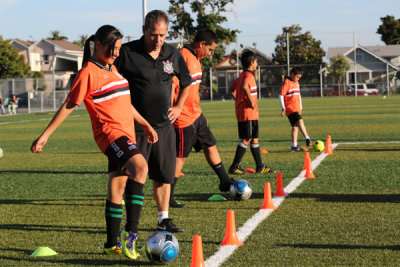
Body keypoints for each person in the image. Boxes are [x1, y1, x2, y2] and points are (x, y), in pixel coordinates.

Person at [30, 25, 158, 260]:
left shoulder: (112, 69)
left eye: (119, 49)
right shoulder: (88, 72)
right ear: (97, 45)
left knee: (117, 189)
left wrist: (145, 124)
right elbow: (70, 104)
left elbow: (123, 102)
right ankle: (132, 234)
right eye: (112, 48)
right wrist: (45, 134)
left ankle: (111, 243)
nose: (116, 53)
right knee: (140, 168)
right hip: (111, 135)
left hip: (126, 134)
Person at [114, 10, 192, 232]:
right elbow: (111, 82)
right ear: (143, 31)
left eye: (162, 35)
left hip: (164, 127)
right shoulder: (128, 53)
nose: (158, 40)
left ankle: (163, 218)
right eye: (153, 35)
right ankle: (129, 223)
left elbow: (186, 82)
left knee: (164, 175)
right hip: (134, 128)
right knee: (131, 177)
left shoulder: (172, 53)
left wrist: (178, 107)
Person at [170, 30, 235, 208]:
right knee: (180, 158)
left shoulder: (196, 58)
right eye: (210, 50)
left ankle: (225, 181)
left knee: (210, 144)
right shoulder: (182, 56)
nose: (211, 54)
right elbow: (172, 85)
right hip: (183, 118)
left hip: (196, 114)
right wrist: (173, 109)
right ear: (201, 44)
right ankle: (168, 196)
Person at [229, 50, 276, 174]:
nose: (257, 64)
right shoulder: (248, 76)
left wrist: (238, 100)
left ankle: (260, 166)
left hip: (251, 113)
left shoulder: (242, 75)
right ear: (251, 62)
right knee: (247, 138)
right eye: (256, 62)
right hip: (247, 113)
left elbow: (231, 89)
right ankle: (234, 166)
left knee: (255, 139)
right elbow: (245, 86)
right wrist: (250, 102)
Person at [279, 67, 312, 152]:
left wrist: (301, 106)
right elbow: (281, 95)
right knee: (300, 121)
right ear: (292, 74)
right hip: (291, 108)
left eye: (299, 78)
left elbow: (299, 95)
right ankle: (307, 138)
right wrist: (283, 107)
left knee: (295, 126)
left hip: (297, 108)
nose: (298, 79)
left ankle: (294, 146)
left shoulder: (297, 83)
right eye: (297, 77)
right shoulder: (287, 82)